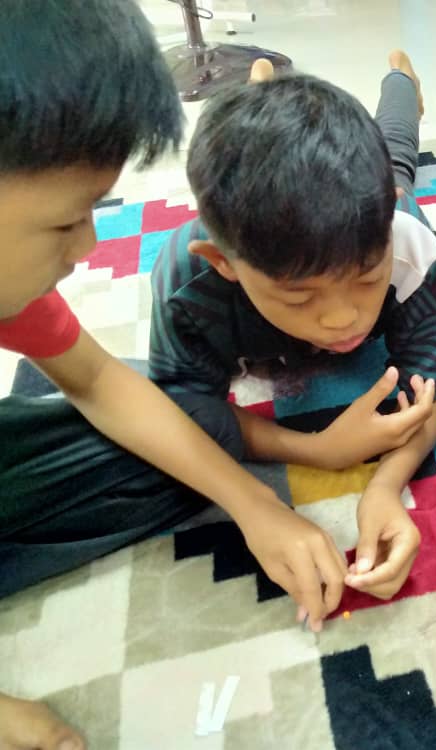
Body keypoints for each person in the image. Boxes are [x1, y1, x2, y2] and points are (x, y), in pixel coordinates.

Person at [0, 2, 350, 748]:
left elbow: (98, 382)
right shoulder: (186, 289)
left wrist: (255, 505)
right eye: (65, 222)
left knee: (194, 440)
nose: (88, 247)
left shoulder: (16, 287)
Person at [147, 53, 436, 616]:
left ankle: (401, 81)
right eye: (299, 297)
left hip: (387, 192)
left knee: (397, 159)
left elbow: (429, 388)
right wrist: (315, 450)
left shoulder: (406, 239)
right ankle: (263, 93)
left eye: (367, 278)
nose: (343, 320)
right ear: (223, 263)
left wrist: (386, 486)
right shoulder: (186, 282)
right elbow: (180, 409)